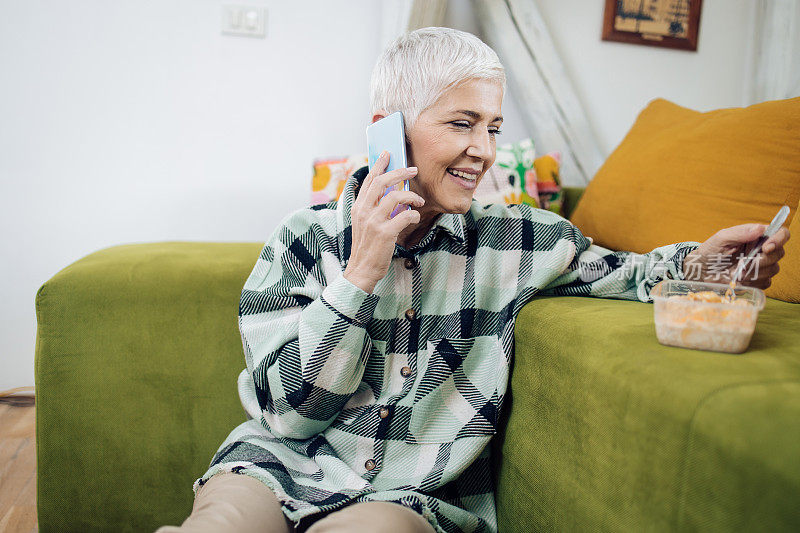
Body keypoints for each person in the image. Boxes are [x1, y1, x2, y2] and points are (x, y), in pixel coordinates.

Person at [156, 27, 790, 533]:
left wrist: (711, 264)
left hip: (410, 494)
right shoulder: (301, 238)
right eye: (461, 124)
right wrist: (361, 272)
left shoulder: (517, 241)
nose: (484, 150)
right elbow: (287, 418)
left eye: (492, 127)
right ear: (388, 128)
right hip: (280, 465)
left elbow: (633, 272)